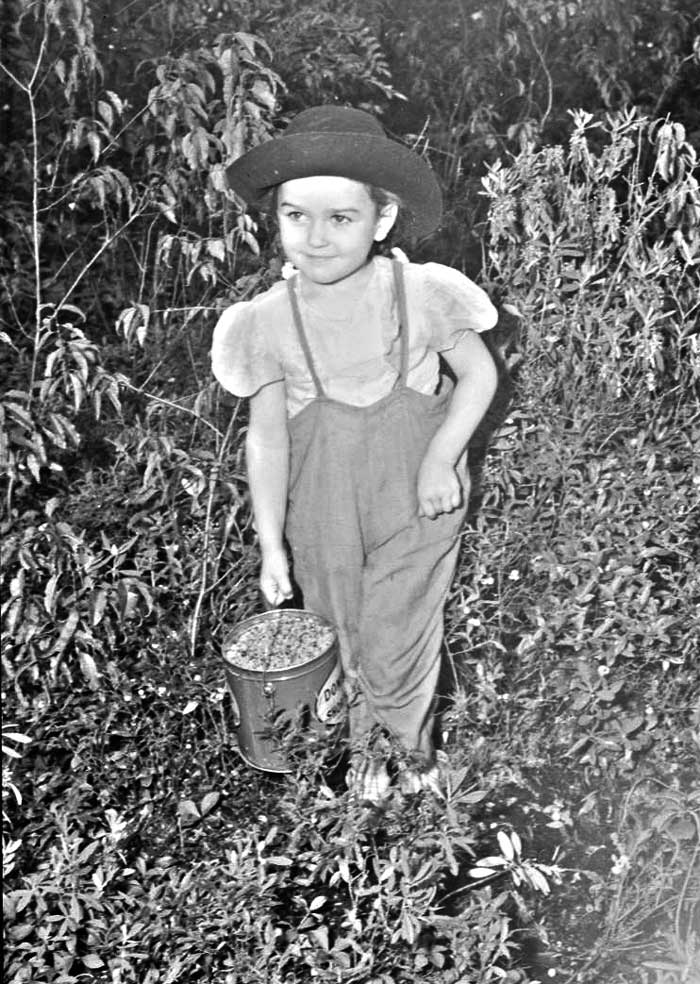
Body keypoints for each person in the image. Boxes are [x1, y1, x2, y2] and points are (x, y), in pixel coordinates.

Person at [211, 105, 498, 803]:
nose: (316, 237)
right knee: (341, 624)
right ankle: (367, 747)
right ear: (274, 219)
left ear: (383, 219)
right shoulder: (266, 321)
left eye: (340, 217)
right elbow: (269, 437)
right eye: (295, 215)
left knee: (397, 626)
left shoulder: (421, 293)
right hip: (324, 506)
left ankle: (409, 748)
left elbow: (481, 375)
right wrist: (271, 543)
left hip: (418, 495)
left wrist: (441, 458)